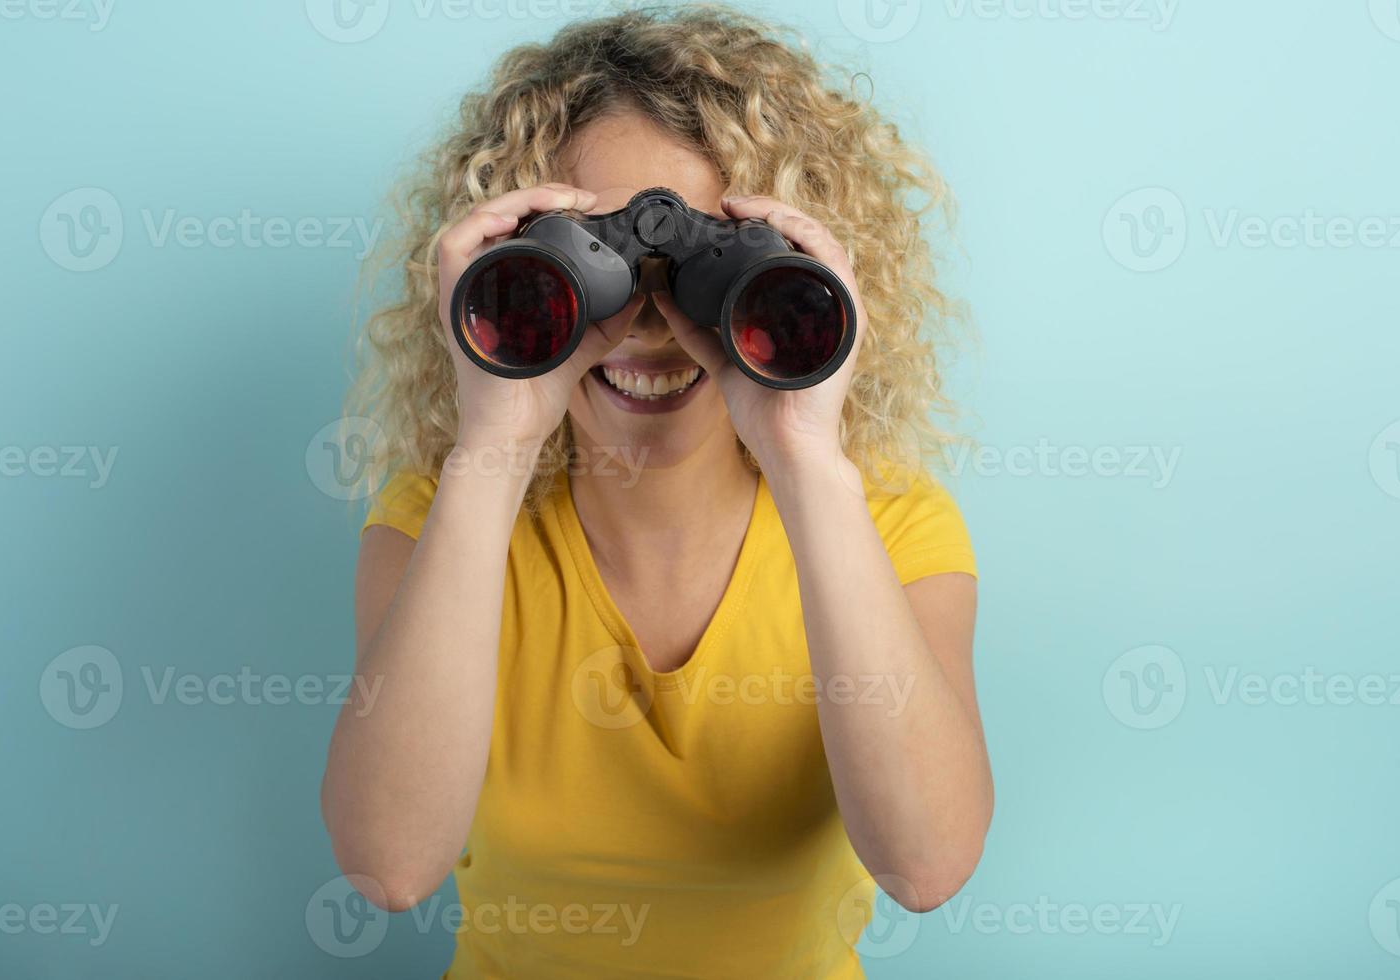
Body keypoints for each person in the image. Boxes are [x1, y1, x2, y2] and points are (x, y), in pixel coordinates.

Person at [321, 7, 993, 977]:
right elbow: (388, 864)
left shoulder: (887, 525)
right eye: (589, 257)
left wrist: (802, 452)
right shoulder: (441, 519)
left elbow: (926, 863)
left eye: (703, 267)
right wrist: (495, 440)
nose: (648, 322)